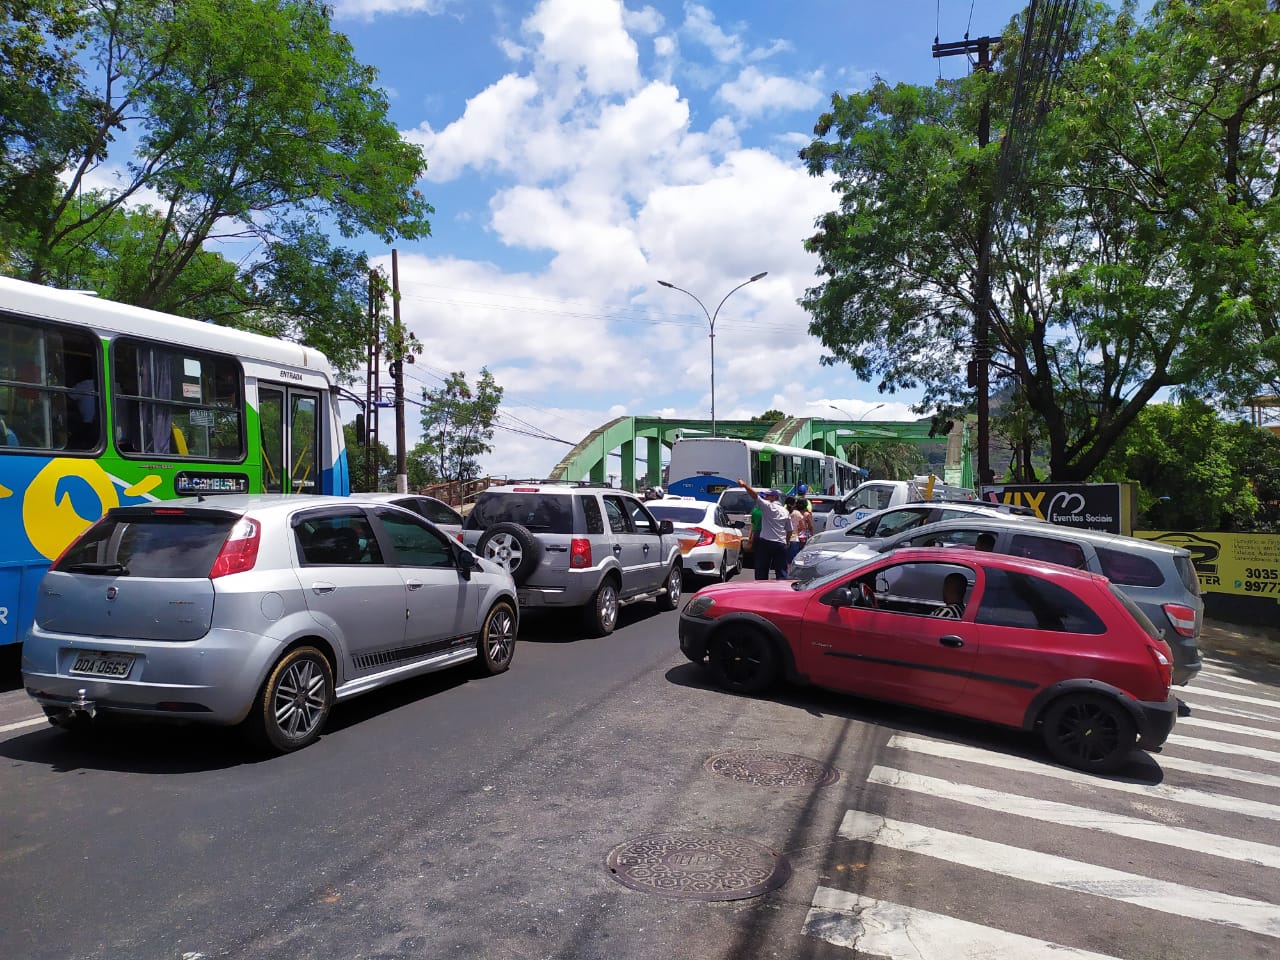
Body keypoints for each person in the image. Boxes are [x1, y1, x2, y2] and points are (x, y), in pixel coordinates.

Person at [737, 478, 790, 580]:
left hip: (766, 543)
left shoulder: (768, 507)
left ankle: (761, 592)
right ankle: (783, 593)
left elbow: (754, 496)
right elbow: (789, 529)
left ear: (774, 497)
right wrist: (787, 542)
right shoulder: (785, 511)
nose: (765, 497)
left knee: (761, 571)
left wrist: (745, 485)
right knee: (782, 572)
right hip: (780, 544)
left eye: (768, 495)